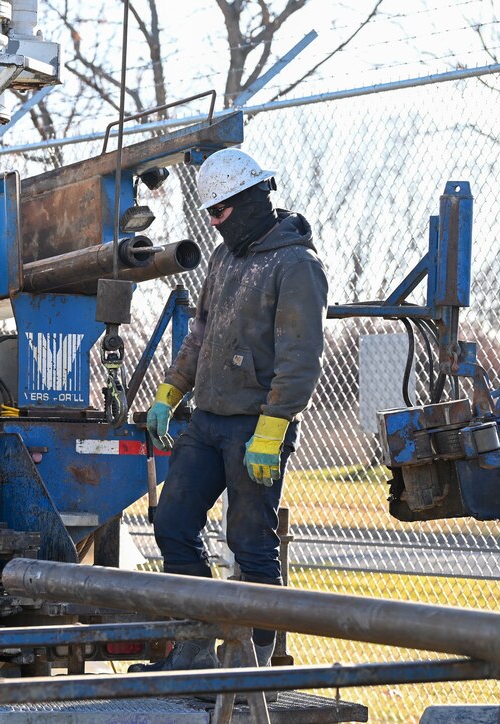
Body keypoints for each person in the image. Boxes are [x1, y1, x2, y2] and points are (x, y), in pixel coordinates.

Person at [145, 148, 328, 672]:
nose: (213, 223)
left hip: (256, 426)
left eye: (218, 212)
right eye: (209, 214)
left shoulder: (297, 265)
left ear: (248, 201)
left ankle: (255, 667)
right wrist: (170, 392)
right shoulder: (226, 259)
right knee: (173, 524)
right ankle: (197, 647)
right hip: (207, 421)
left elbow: (299, 357)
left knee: (251, 545)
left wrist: (271, 431)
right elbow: (200, 334)